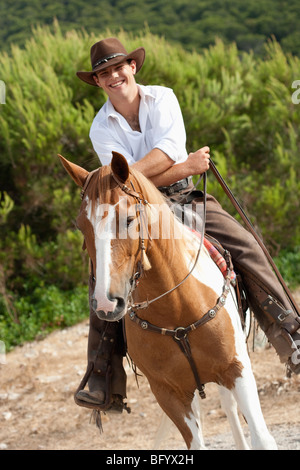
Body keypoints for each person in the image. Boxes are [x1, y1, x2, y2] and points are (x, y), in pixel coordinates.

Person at [75, 37, 300, 412]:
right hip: (136, 211)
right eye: (103, 73)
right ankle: (102, 376)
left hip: (182, 198)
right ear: (97, 82)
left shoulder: (162, 98)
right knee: (103, 272)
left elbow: (159, 153)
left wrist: (140, 175)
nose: (113, 76)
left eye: (118, 67)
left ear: (133, 67)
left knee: (244, 244)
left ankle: (291, 333)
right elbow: (128, 184)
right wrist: (186, 166)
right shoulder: (100, 128)